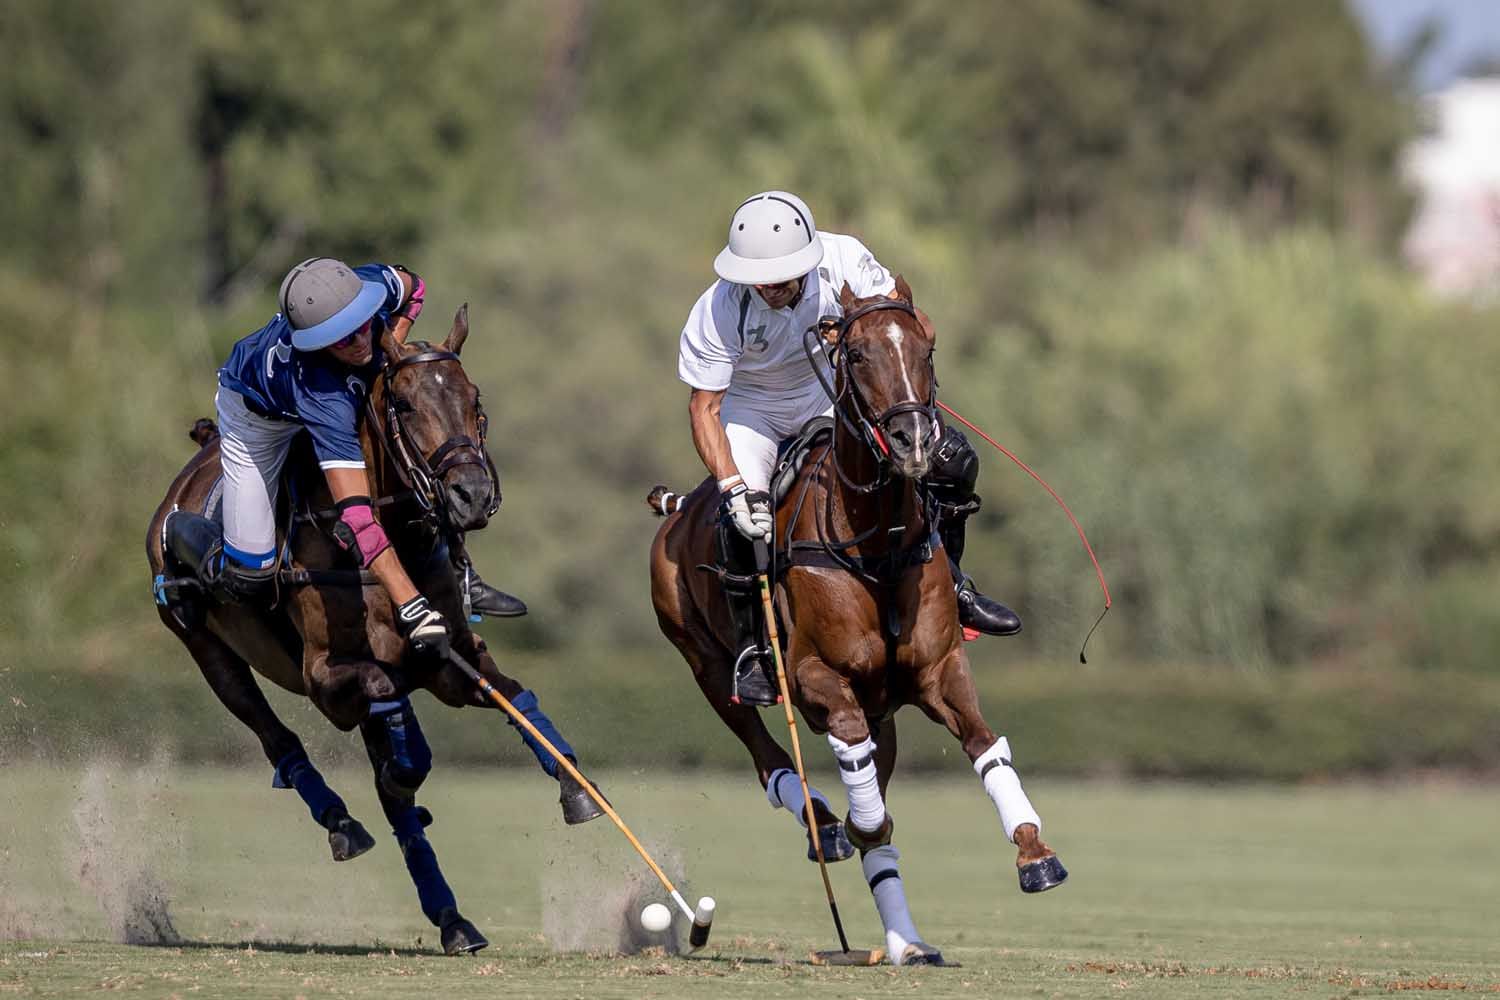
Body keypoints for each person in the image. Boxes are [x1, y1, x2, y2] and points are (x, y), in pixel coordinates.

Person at [677, 192, 1021, 704]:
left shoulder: (844, 260)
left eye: (780, 274)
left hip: (827, 396)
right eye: (758, 278)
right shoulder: (718, 309)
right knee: (741, 522)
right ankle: (754, 650)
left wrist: (865, 336)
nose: (769, 287)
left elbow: (916, 325)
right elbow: (704, 409)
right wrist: (731, 488)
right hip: (754, 411)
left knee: (952, 464)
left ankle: (956, 586)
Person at [168, 257, 524, 655]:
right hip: (256, 419)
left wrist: (394, 353)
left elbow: (415, 289)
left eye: (362, 327)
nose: (359, 344)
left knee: (419, 460)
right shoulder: (322, 394)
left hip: (321, 381)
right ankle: (177, 536)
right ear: (319, 343)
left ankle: (461, 574)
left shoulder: (377, 287)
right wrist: (412, 606)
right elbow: (357, 514)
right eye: (342, 340)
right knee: (248, 576)